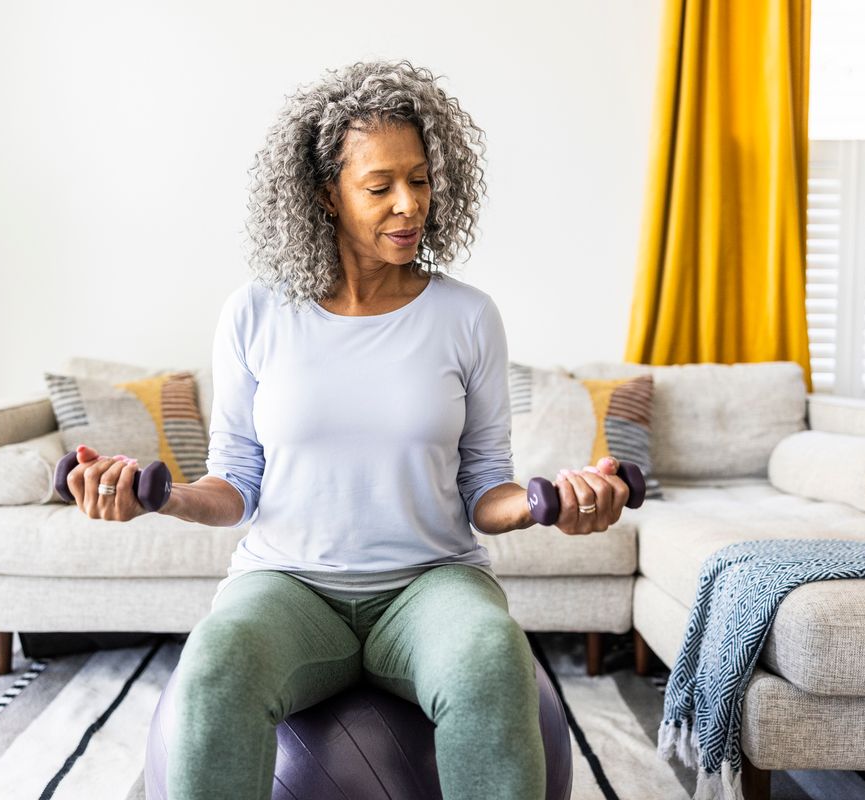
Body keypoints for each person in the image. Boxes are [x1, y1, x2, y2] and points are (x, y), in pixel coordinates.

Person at [66, 59, 630, 800]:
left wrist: (550, 501)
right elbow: (235, 482)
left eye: (421, 180)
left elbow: (483, 490)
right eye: (380, 186)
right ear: (325, 195)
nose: (410, 205)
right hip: (288, 585)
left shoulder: (467, 317)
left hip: (431, 585)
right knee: (214, 664)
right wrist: (157, 496)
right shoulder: (255, 313)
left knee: (493, 655)